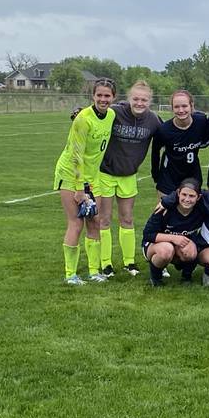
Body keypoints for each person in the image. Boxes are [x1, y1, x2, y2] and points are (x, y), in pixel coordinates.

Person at [95, 80, 162, 278]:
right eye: (136, 99)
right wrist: (77, 112)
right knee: (104, 219)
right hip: (105, 173)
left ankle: (129, 262)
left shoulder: (153, 120)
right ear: (128, 98)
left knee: (127, 218)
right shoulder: (115, 112)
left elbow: (169, 133)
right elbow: (94, 115)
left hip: (128, 175)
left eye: (144, 100)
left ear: (149, 101)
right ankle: (105, 263)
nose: (139, 103)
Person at [53, 78, 116, 285]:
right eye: (99, 95)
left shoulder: (112, 115)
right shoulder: (83, 119)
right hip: (71, 174)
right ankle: (70, 274)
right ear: (93, 96)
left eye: (107, 95)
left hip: (92, 176)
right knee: (76, 223)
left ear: (113, 97)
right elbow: (77, 155)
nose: (103, 99)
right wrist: (80, 190)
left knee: (94, 222)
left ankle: (93, 271)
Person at [142, 178, 204, 286]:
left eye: (192, 196)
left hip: (181, 246)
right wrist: (173, 238)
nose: (187, 199)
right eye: (184, 194)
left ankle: (186, 277)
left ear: (198, 197)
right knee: (166, 250)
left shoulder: (201, 210)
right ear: (178, 193)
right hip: (155, 246)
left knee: (191, 250)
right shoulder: (164, 208)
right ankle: (156, 278)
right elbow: (148, 234)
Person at [150, 89, 208, 198]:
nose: (181, 110)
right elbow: (155, 152)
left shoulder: (201, 121)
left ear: (191, 106)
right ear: (172, 108)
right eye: (176, 107)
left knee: (192, 212)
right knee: (164, 213)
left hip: (193, 176)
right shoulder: (164, 130)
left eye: (184, 106)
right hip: (169, 178)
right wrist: (156, 175)